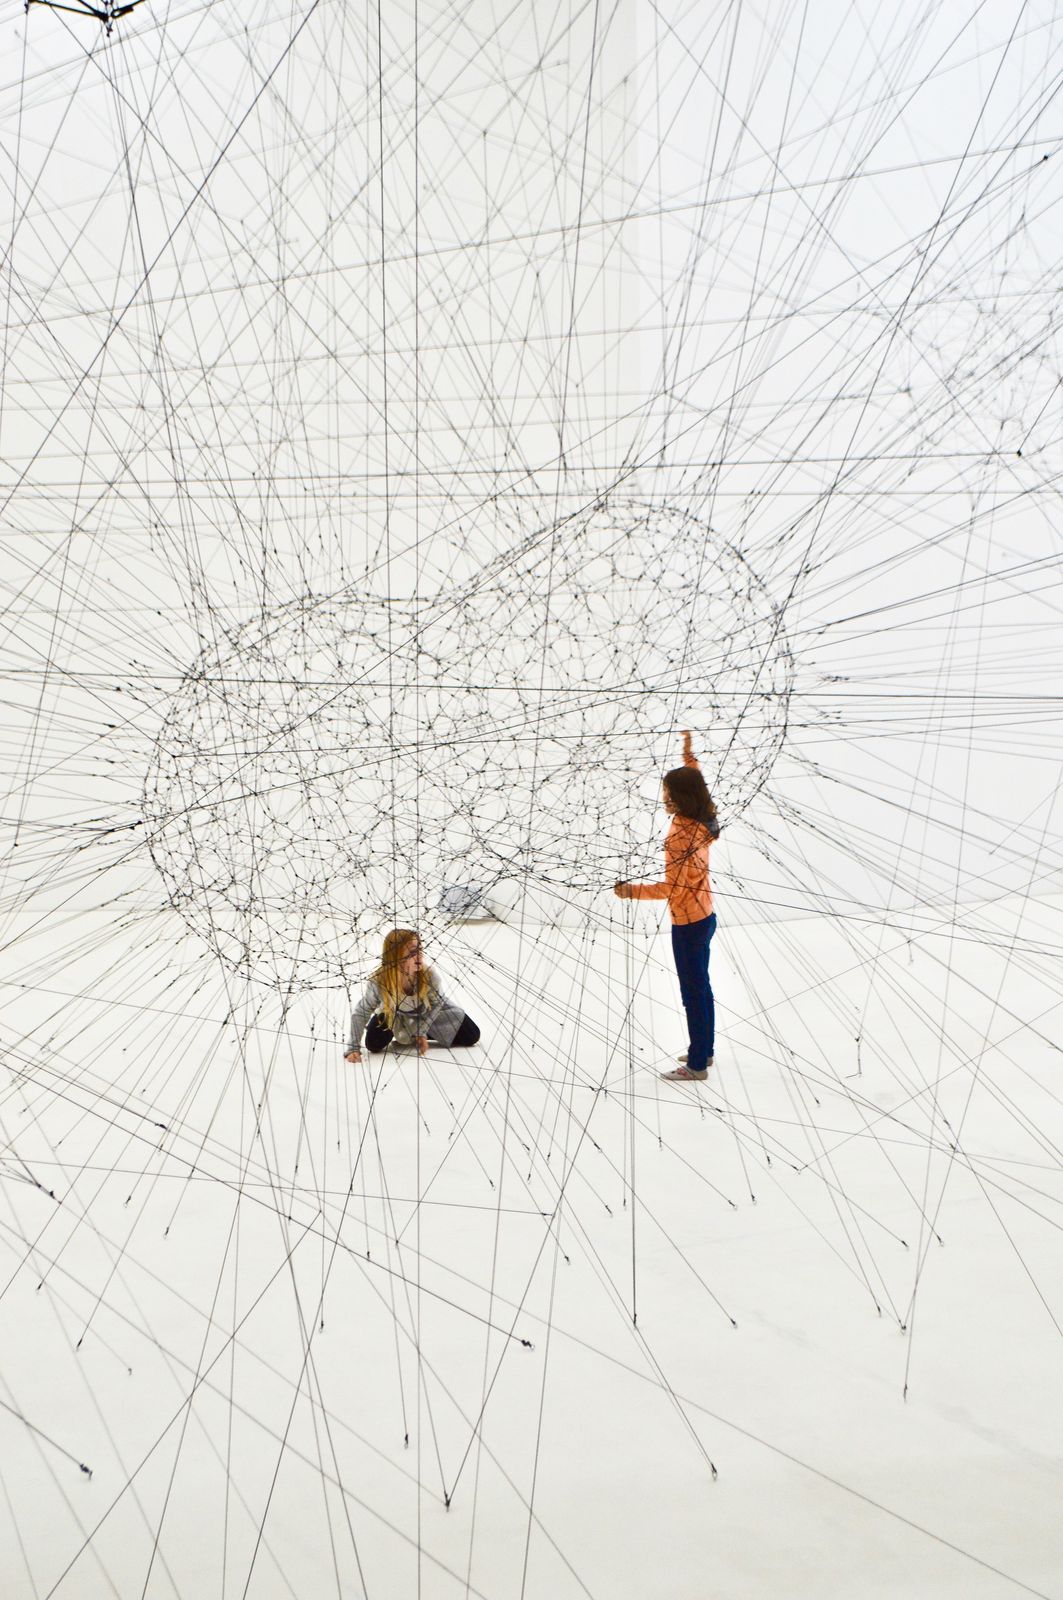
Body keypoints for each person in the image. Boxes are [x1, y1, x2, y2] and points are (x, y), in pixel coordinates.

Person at [614, 732, 720, 1081]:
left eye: (668, 792)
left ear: (680, 797)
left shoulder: (680, 836)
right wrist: (688, 755)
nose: (665, 797)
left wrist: (630, 891)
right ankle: (704, 1049)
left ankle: (697, 1065)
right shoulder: (705, 819)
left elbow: (672, 889)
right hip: (706, 915)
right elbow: (698, 780)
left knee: (693, 993)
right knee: (702, 987)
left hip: (688, 922)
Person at [343, 928, 480, 1063]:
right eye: (413, 952)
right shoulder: (379, 981)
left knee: (472, 1035)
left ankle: (419, 1033)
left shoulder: (429, 975)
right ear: (395, 956)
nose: (419, 956)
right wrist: (353, 1048)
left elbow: (437, 1004)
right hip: (394, 1016)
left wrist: (422, 1032)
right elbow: (361, 1012)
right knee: (373, 1044)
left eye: (420, 950)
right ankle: (407, 1031)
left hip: (426, 1013)